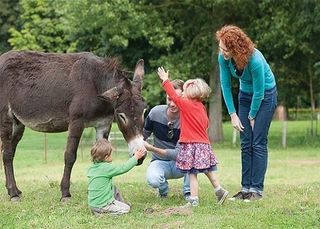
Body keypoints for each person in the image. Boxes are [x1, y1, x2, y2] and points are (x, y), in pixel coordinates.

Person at [216, 25, 277, 202]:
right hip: (245, 95)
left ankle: (256, 190)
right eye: (220, 47)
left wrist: (252, 115)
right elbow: (225, 85)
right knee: (245, 142)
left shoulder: (255, 60)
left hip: (265, 96)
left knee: (257, 142)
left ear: (236, 48)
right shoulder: (224, 58)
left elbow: (259, 92)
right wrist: (233, 114)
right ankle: (245, 188)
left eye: (225, 49)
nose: (221, 52)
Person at [156, 67, 229, 207]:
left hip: (191, 144)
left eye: (184, 91)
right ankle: (219, 190)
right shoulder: (201, 107)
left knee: (192, 173)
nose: (182, 93)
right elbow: (206, 124)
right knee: (208, 169)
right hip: (204, 144)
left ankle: (193, 200)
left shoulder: (186, 104)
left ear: (189, 93)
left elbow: (173, 95)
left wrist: (165, 80)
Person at [144, 79, 190, 200]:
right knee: (153, 180)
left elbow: (178, 154)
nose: (173, 103)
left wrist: (151, 148)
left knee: (193, 157)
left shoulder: (188, 119)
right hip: (159, 162)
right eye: (169, 99)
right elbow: (143, 135)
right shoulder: (155, 113)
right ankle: (163, 191)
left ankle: (188, 193)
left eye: (176, 98)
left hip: (182, 164)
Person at [87, 139, 146, 215]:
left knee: (114, 188)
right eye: (111, 154)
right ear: (106, 157)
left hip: (93, 204)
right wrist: (136, 157)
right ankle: (103, 214)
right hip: (103, 204)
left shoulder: (92, 167)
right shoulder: (106, 168)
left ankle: (101, 209)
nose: (112, 155)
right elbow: (123, 168)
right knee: (126, 209)